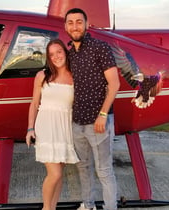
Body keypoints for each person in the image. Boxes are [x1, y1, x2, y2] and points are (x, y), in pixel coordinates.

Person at [64, 8, 120, 210]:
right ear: (65, 26)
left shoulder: (100, 47)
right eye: (70, 22)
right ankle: (88, 205)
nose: (75, 26)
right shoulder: (70, 54)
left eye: (79, 22)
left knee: (104, 170)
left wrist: (103, 115)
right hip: (77, 123)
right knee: (83, 168)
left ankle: (110, 207)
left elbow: (114, 84)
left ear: (86, 24)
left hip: (99, 122)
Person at [26, 39, 79, 210]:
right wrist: (30, 129)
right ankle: (46, 208)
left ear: (65, 52)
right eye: (51, 54)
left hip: (65, 128)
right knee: (54, 173)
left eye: (59, 52)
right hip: (46, 127)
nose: (56, 57)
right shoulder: (42, 76)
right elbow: (34, 104)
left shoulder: (74, 76)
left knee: (59, 174)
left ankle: (53, 207)